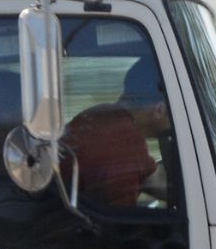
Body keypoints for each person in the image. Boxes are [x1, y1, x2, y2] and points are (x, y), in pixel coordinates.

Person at [63, 56, 171, 209]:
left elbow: (152, 179)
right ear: (159, 110)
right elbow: (122, 221)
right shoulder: (127, 141)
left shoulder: (100, 113)